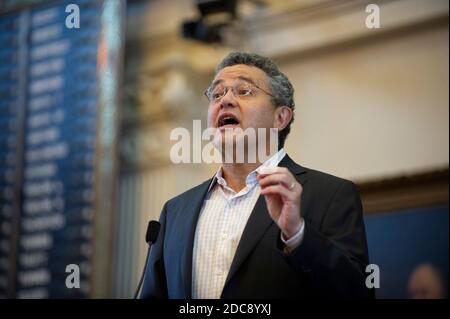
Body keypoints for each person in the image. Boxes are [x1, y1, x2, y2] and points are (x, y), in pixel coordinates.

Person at [141, 52, 372, 298]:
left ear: (280, 117)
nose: (225, 100)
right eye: (217, 94)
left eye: (244, 91)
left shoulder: (330, 195)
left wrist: (297, 235)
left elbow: (357, 294)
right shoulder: (175, 211)